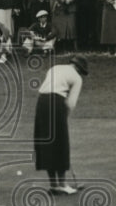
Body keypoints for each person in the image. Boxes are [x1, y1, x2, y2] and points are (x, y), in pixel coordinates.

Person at [34, 55, 89, 195]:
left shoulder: (55, 68)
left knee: (47, 142)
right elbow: (71, 103)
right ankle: (63, 184)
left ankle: (54, 185)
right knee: (61, 143)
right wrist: (64, 118)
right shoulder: (77, 78)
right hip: (56, 102)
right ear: (79, 68)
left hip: (41, 102)